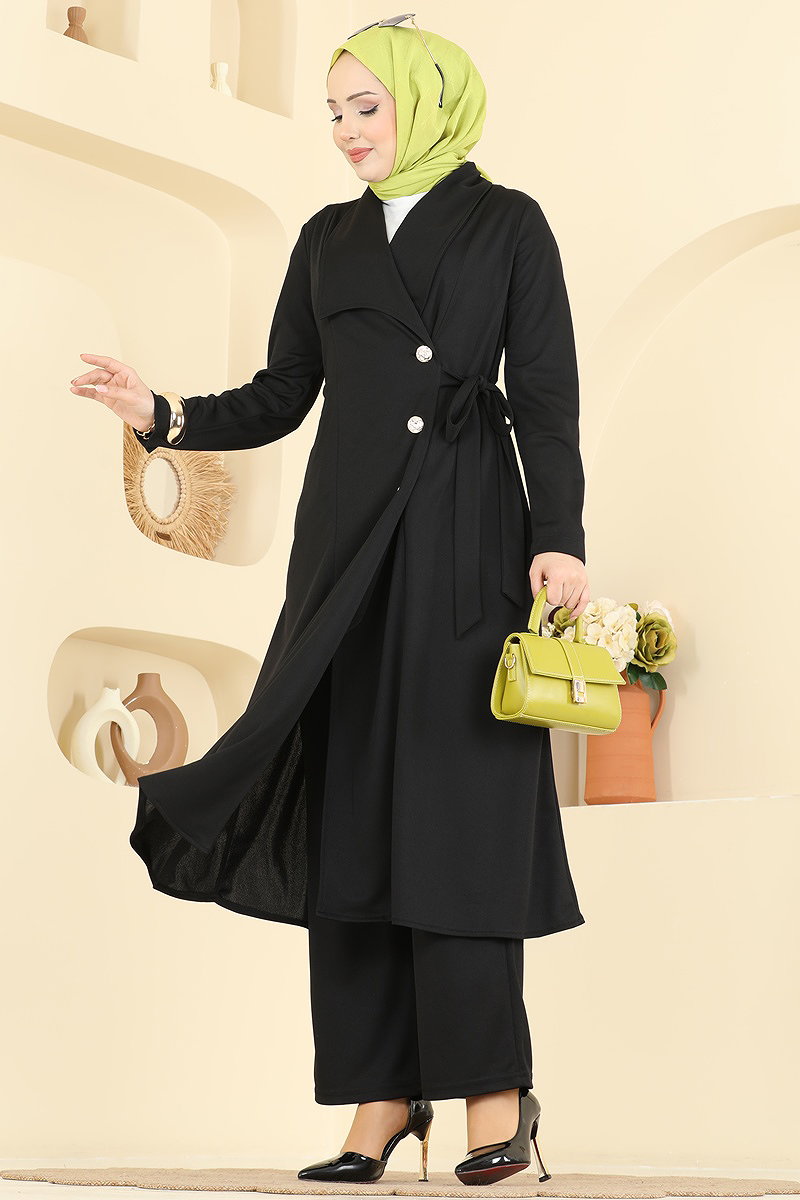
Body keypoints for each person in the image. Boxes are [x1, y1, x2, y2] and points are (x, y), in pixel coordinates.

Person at [69, 16, 590, 1188]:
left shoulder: (507, 224)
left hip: (464, 545)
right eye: (335, 112)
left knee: (458, 820)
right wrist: (162, 412)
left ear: (430, 102)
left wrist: (556, 539)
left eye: (368, 106)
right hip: (345, 556)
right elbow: (280, 394)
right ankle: (378, 1100)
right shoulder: (326, 239)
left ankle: (492, 1096)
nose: (348, 130)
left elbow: (545, 396)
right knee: (352, 820)